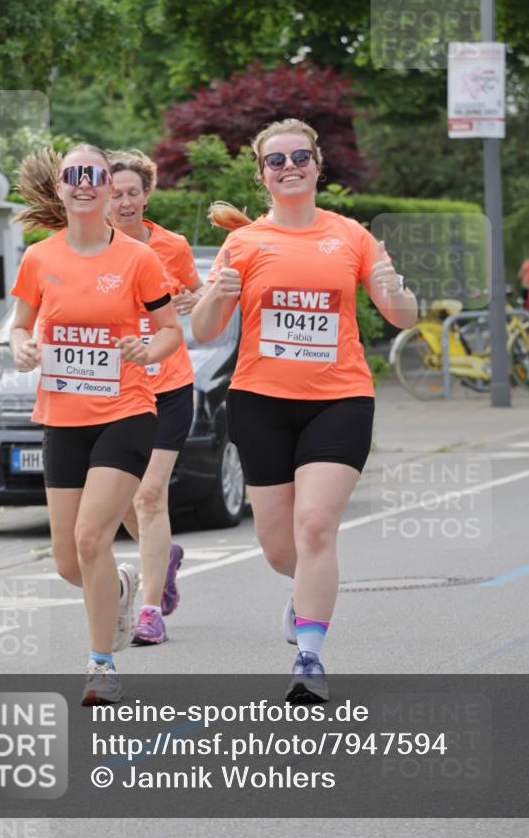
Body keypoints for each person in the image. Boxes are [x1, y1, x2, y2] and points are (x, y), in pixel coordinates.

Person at [191, 118, 418, 702]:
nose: (288, 167)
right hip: (261, 401)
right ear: (262, 175)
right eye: (276, 160)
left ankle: (310, 657)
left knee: (316, 524)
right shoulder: (243, 244)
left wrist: (395, 290)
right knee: (279, 547)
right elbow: (205, 328)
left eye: (299, 157)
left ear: (318, 166)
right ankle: (304, 592)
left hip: (339, 398)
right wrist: (214, 299)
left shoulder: (350, 236)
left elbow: (404, 317)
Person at [9, 143, 182, 704]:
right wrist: (23, 348)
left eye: (95, 175)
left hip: (126, 412)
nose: (84, 183)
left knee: (91, 538)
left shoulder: (137, 258)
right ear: (60, 188)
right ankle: (125, 583)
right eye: (73, 175)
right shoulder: (39, 258)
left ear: (111, 188)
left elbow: (169, 332)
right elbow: (19, 326)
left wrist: (145, 350)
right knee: (68, 560)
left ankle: (101, 664)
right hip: (62, 416)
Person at [108, 149, 203, 644]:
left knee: (148, 494)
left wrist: (195, 298)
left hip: (168, 385)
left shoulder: (172, 246)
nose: (124, 202)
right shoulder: (89, 249)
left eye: (132, 192)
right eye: (115, 193)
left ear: (147, 194)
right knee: (124, 498)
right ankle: (160, 556)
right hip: (118, 391)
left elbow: (196, 292)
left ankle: (149, 611)